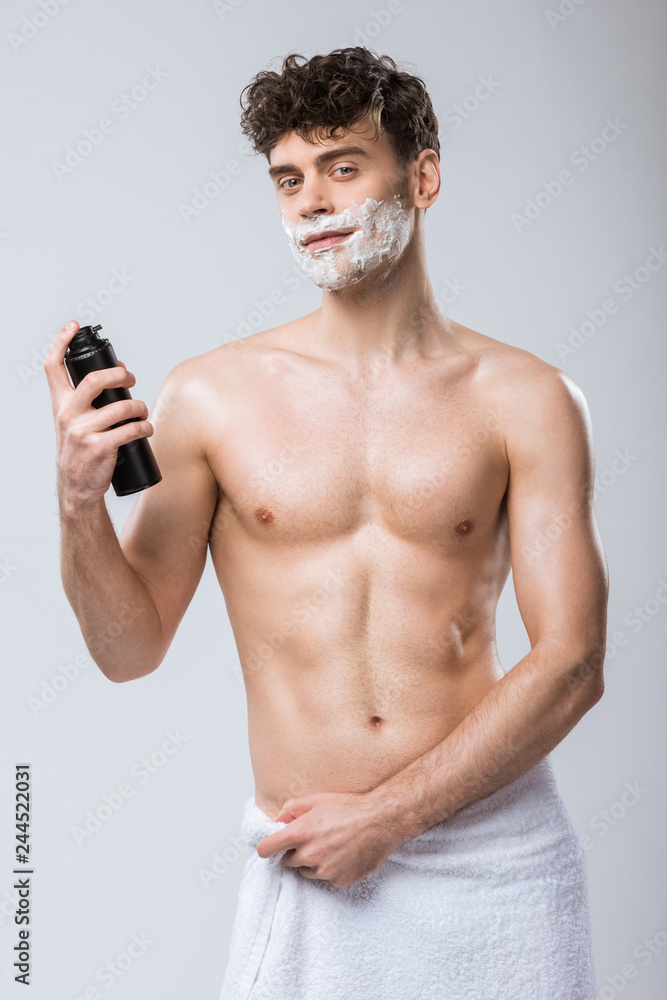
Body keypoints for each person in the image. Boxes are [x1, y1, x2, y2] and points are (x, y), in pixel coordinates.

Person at [46, 47, 608, 1000]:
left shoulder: (527, 399)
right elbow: (126, 648)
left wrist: (388, 818)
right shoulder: (211, 398)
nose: (310, 201)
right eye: (288, 179)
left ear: (420, 176)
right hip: (311, 866)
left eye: (343, 166)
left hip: (493, 856)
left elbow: (573, 664)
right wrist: (77, 506)